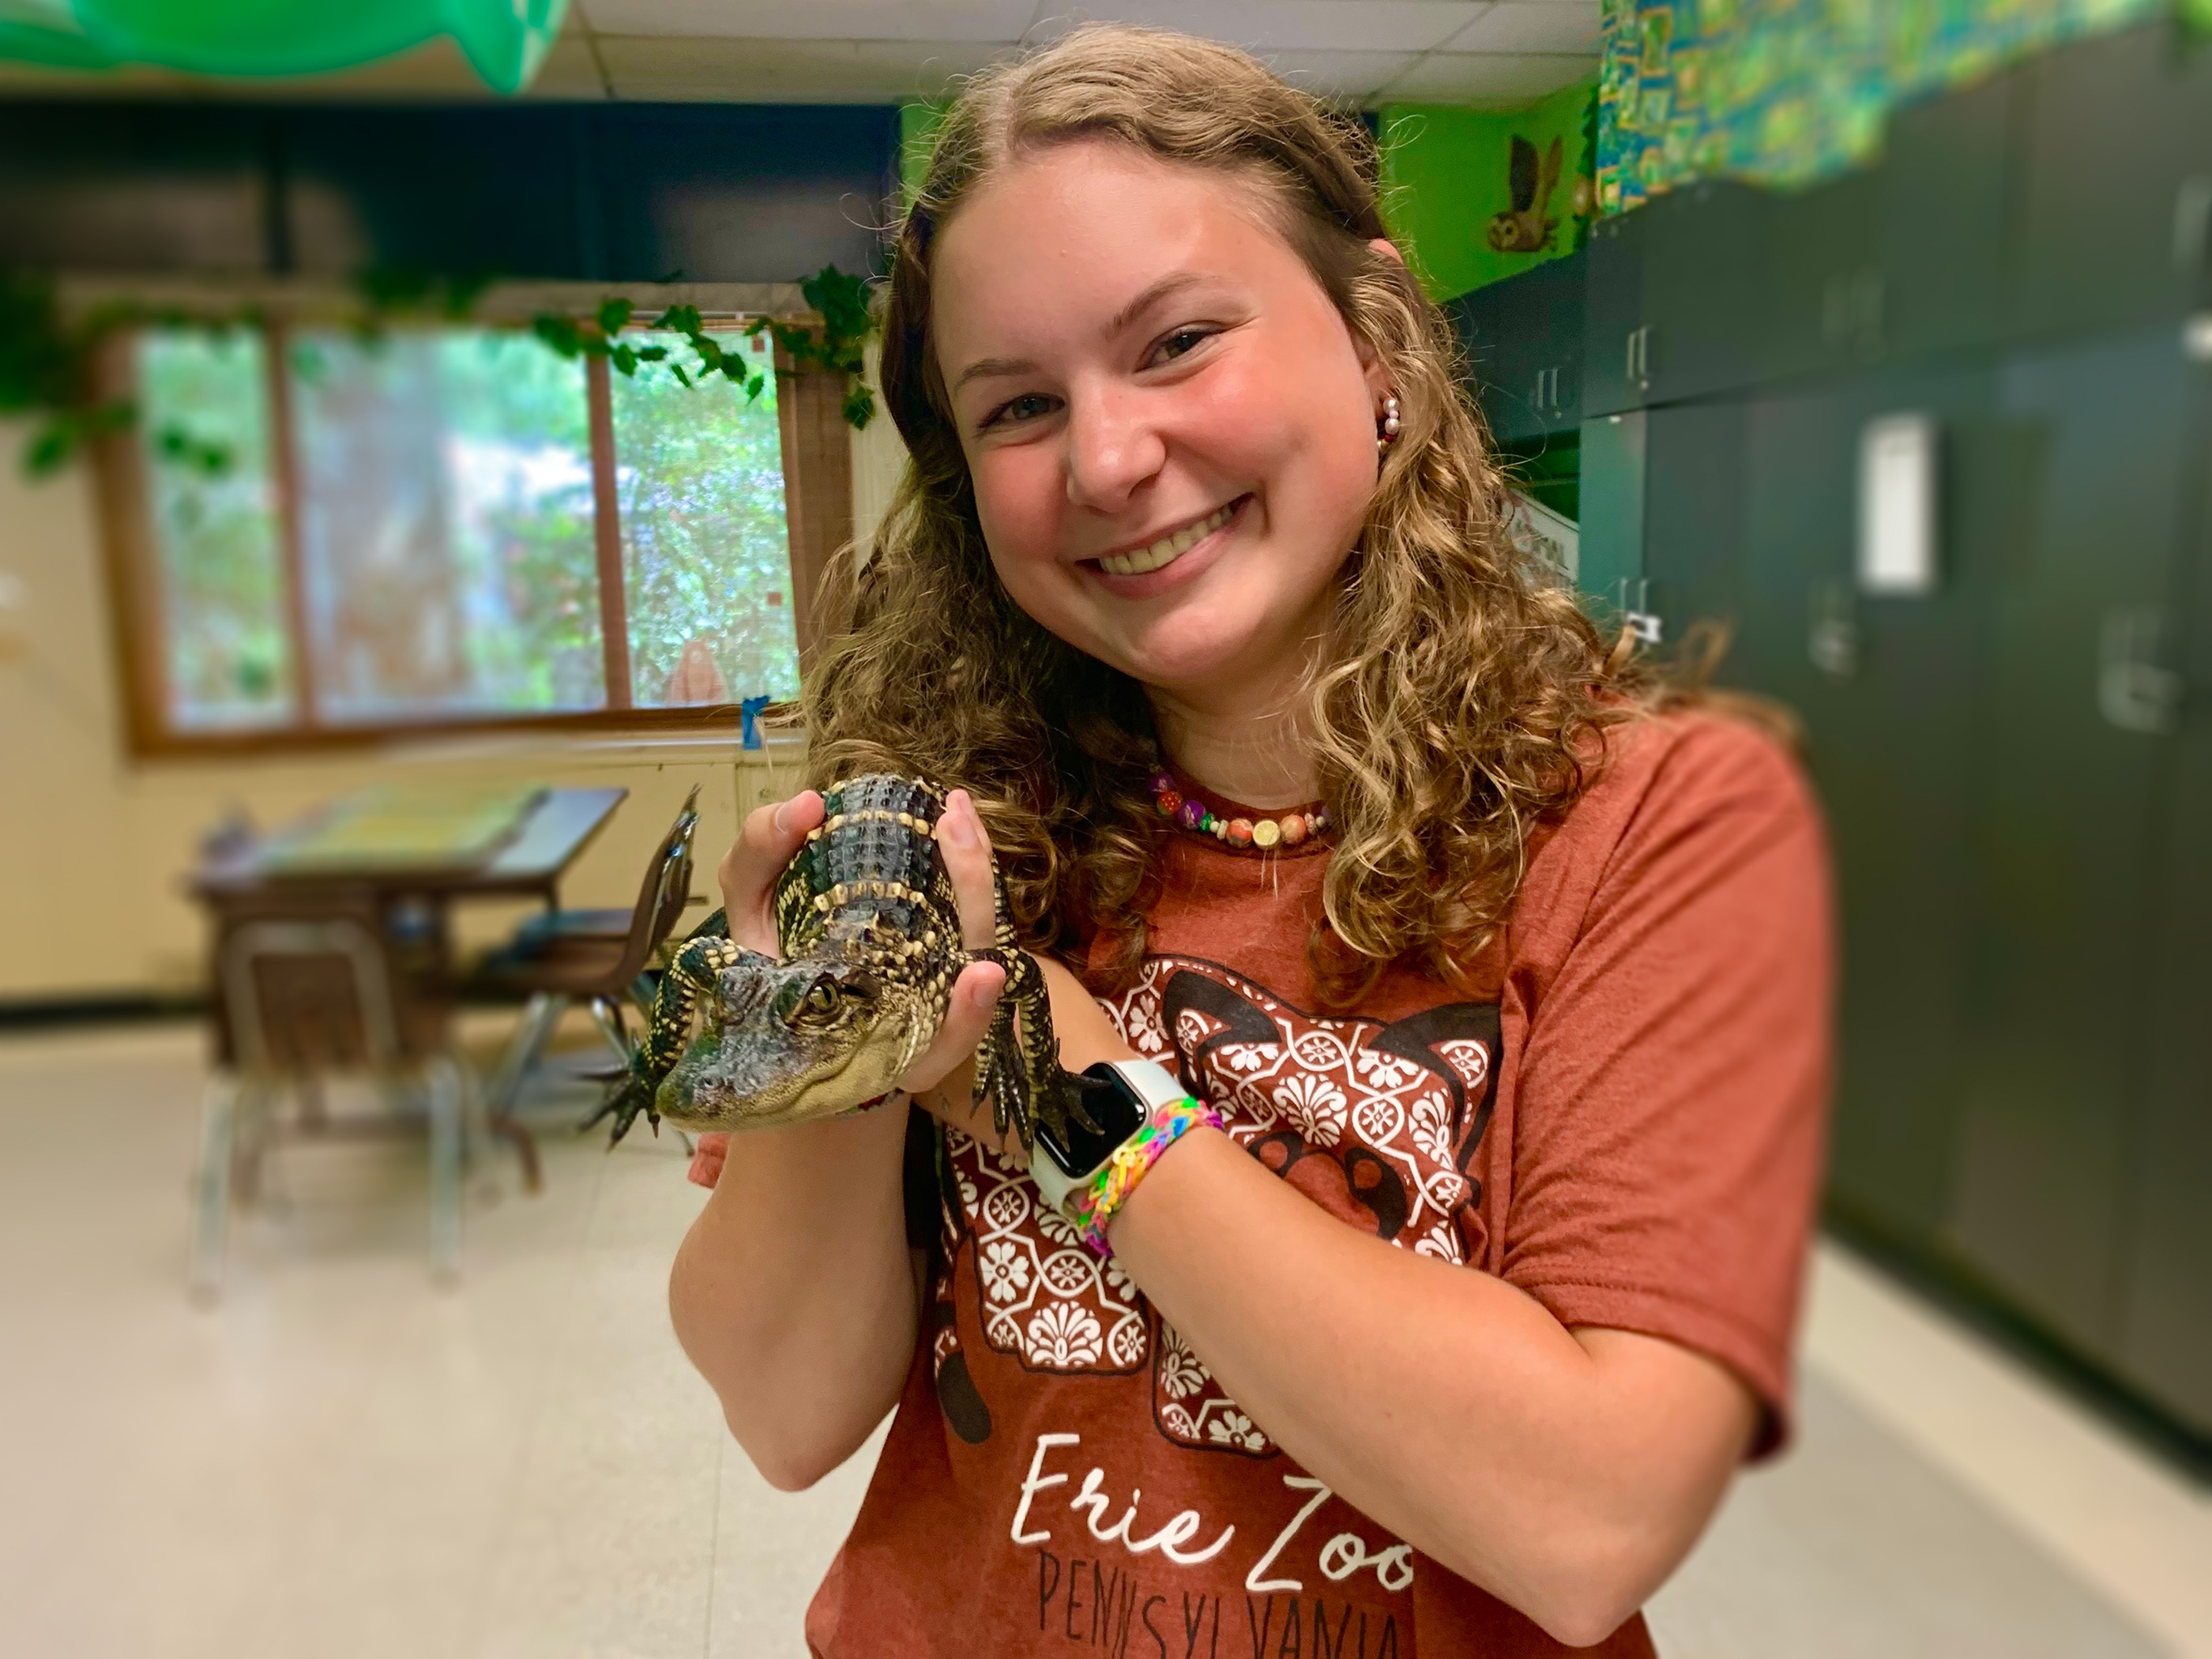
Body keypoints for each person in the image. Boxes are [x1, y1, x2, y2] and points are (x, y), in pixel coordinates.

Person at [670, 25, 1830, 1657]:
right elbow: (782, 1415)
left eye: (1176, 342)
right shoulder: (944, 829)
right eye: (1013, 406)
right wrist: (828, 1053)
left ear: (1375, 343)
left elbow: (1582, 1520)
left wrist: (1065, 1083)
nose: (1107, 459)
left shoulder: (1657, 824)